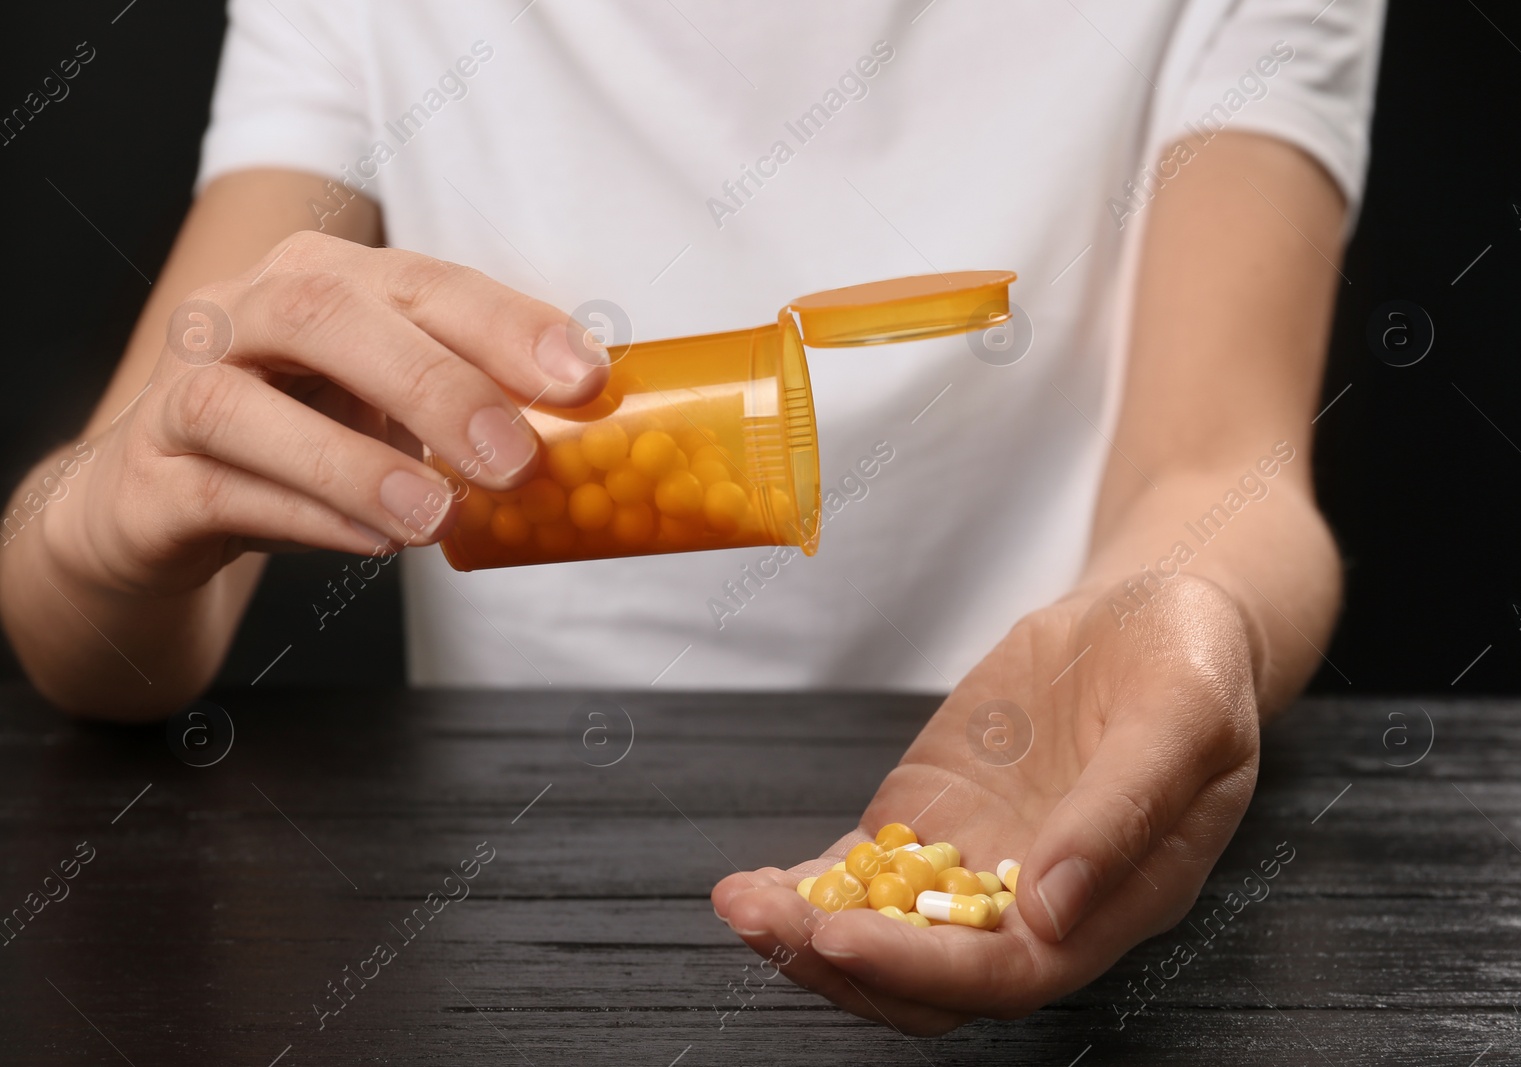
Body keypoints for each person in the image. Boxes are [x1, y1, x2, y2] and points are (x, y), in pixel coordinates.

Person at [0, 0, 1384, 1034]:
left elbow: (1220, 475)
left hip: (1039, 812)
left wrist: (1190, 614)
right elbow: (106, 617)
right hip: (507, 930)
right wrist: (94, 534)